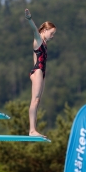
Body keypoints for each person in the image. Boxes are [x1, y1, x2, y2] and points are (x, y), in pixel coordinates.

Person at [25, 9, 56, 137]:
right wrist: (29, 19)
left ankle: (34, 130)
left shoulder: (44, 44)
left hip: (41, 72)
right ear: (45, 30)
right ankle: (32, 130)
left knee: (37, 101)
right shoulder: (38, 39)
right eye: (52, 33)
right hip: (37, 71)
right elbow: (34, 29)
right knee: (34, 100)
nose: (52, 36)